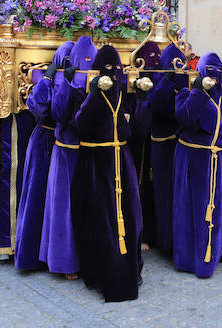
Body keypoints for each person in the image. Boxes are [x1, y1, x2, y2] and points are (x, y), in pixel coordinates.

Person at [69, 44, 142, 302]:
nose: (113, 74)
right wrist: (93, 97)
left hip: (120, 161)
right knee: (97, 218)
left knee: (128, 216)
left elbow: (132, 130)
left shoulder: (125, 93)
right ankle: (99, 272)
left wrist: (141, 99)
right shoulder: (86, 91)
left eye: (117, 69)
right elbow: (78, 126)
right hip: (94, 163)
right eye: (107, 69)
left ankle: (125, 272)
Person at [174, 52, 222, 277]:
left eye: (218, 72)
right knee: (197, 206)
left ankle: (221, 247)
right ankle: (193, 255)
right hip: (197, 159)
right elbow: (185, 117)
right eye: (209, 72)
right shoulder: (186, 94)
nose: (214, 78)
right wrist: (199, 91)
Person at [40, 36, 97, 278]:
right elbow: (58, 113)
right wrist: (69, 85)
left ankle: (89, 257)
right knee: (64, 207)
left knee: (89, 207)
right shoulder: (65, 79)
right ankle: (65, 260)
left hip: (91, 150)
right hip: (66, 152)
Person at [15, 40, 74, 271]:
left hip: (63, 145)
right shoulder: (48, 80)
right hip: (44, 143)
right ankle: (32, 254)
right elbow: (38, 106)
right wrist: (48, 79)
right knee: (38, 195)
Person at [148, 42, 188, 253]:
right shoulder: (156, 79)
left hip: (178, 144)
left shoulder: (184, 80)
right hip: (159, 144)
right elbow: (154, 106)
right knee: (161, 193)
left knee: (177, 194)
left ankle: (175, 240)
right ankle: (162, 238)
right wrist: (166, 82)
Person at [129, 42, 162, 250]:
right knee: (138, 184)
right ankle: (140, 234)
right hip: (137, 141)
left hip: (156, 139)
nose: (154, 61)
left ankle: (152, 232)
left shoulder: (158, 78)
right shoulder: (134, 81)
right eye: (150, 56)